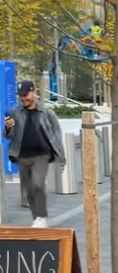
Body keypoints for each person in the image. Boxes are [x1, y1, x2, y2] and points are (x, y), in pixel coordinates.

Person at [4, 80, 66, 228]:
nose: (23, 98)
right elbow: (8, 136)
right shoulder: (14, 113)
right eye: (20, 96)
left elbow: (57, 135)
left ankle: (41, 216)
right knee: (29, 189)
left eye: (25, 95)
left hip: (41, 155)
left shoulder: (48, 113)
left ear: (33, 92)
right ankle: (37, 217)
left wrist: (62, 157)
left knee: (38, 184)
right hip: (22, 155)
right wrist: (7, 129)